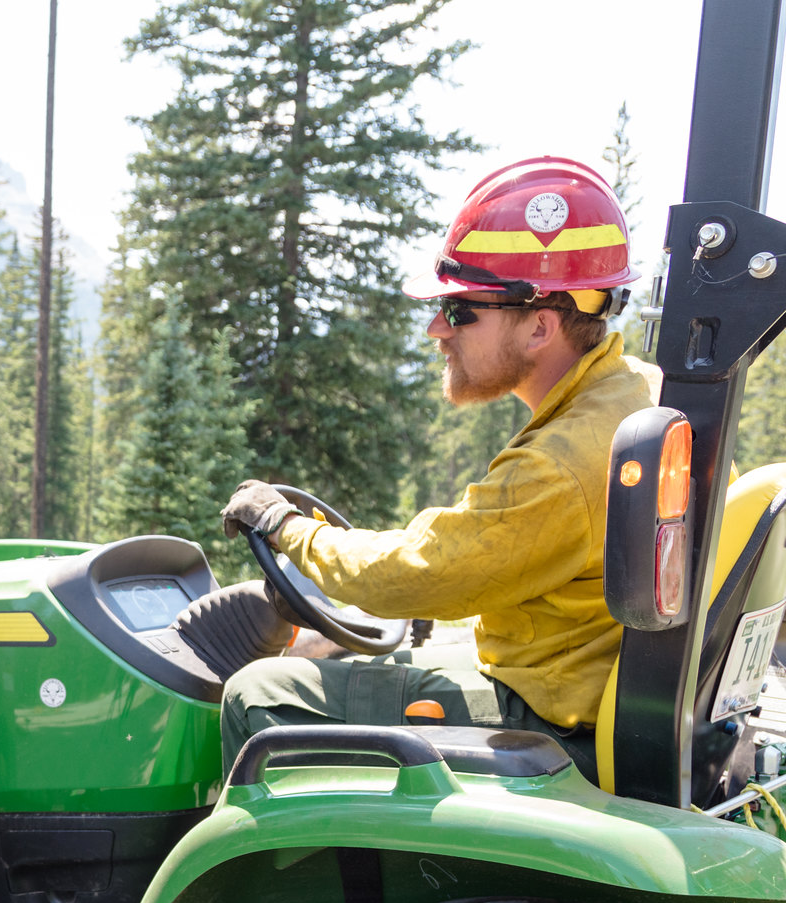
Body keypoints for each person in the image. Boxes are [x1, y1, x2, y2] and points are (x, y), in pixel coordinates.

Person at [218, 156, 661, 785]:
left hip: (554, 728)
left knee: (259, 693)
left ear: (539, 326)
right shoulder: (632, 394)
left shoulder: (563, 464)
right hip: (568, 689)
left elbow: (415, 573)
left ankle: (329, 881)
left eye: (459, 312)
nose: (436, 329)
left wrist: (287, 528)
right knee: (344, 656)